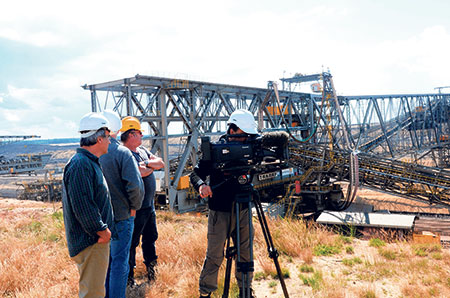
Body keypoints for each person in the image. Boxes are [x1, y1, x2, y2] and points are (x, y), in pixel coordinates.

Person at [190, 109, 259, 298]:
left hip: (244, 208)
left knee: (246, 253)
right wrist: (202, 185)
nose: (246, 140)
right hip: (219, 211)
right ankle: (206, 293)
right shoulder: (214, 151)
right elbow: (195, 174)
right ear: (233, 130)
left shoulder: (251, 148)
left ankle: (246, 290)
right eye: (244, 136)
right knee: (214, 256)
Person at [62, 112, 113, 298]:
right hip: (92, 241)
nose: (110, 141)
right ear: (99, 138)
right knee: (92, 293)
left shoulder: (86, 163)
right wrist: (101, 231)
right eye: (108, 137)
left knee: (95, 290)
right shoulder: (81, 165)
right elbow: (83, 205)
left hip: (94, 240)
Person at [99, 111, 145, 298]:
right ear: (118, 128)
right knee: (119, 263)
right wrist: (134, 207)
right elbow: (134, 185)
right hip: (122, 216)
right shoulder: (122, 152)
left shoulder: (93, 153)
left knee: (105, 263)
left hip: (101, 218)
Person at [121, 116, 165, 286]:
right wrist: (147, 167)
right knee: (132, 243)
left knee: (150, 238)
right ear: (131, 134)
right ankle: (129, 278)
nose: (142, 136)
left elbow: (160, 163)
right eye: (139, 133)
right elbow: (140, 172)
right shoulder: (125, 154)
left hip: (148, 207)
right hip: (135, 208)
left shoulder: (142, 152)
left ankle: (152, 270)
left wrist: (147, 163)